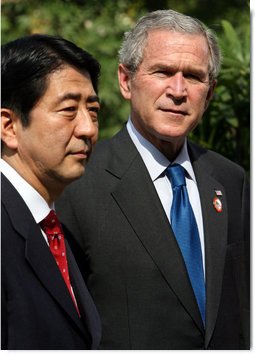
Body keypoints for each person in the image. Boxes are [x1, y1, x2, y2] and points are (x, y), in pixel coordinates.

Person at [56, 10, 250, 350]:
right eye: (162, 72)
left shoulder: (232, 181)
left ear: (211, 92)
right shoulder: (77, 182)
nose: (178, 90)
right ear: (126, 81)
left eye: (193, 76)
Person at [1, 34, 102, 350]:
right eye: (69, 109)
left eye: (94, 110)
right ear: (9, 127)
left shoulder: (56, 231)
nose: (87, 129)